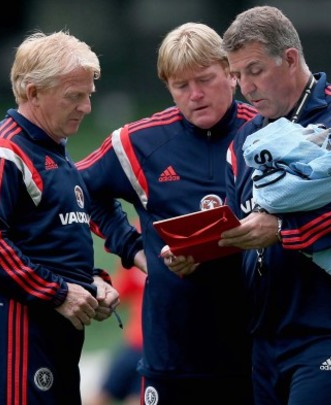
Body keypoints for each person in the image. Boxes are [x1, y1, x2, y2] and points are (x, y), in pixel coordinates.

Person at [218, 6, 331, 404]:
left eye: (255, 70)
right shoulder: (243, 140)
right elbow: (242, 228)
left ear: (291, 59)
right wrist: (197, 251)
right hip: (263, 334)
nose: (245, 87)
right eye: (237, 75)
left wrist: (284, 231)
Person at [76, 22, 256, 405]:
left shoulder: (269, 131)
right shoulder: (138, 143)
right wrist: (133, 249)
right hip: (172, 355)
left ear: (231, 74)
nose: (195, 95)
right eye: (180, 86)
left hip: (258, 347)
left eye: (205, 79)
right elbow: (76, 189)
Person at [0, 30, 121, 405]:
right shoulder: (2, 150)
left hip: (54, 324)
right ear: (33, 93)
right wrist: (59, 292)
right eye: (74, 96)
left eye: (88, 96)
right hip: (17, 323)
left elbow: (47, 241)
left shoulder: (55, 153)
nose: (86, 107)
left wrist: (91, 282)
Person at [87, 233, 145, 405]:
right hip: (134, 344)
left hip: (159, 347)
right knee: (101, 395)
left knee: (138, 399)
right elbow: (121, 289)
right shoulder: (139, 234)